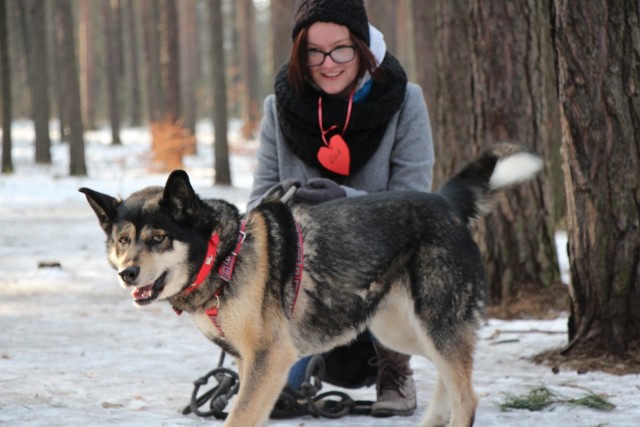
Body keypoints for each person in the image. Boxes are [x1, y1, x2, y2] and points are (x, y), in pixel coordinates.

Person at [247, 0, 434, 417]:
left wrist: (341, 202)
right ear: (300, 53)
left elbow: (414, 205)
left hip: (379, 270)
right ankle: (271, 372)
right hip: (303, 279)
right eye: (314, 51)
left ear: (363, 47)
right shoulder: (278, 109)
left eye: (341, 49)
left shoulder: (406, 102)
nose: (328, 63)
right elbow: (257, 203)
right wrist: (285, 201)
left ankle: (395, 371)